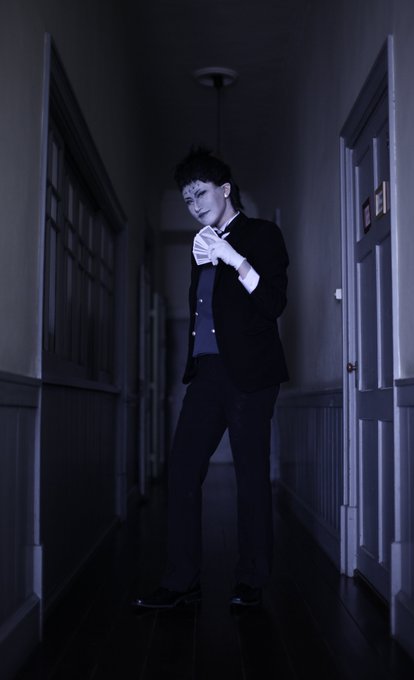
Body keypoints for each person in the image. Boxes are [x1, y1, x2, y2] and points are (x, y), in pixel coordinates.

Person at [133, 147, 289, 609]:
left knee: (250, 476)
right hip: (205, 375)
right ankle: (181, 581)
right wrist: (214, 253)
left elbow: (273, 304)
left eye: (200, 193)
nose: (194, 205)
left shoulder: (263, 234)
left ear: (224, 190)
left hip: (252, 375)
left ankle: (252, 580)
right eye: (186, 199)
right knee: (182, 470)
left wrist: (234, 258)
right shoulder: (200, 248)